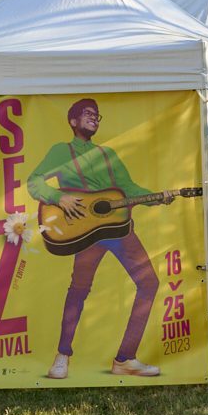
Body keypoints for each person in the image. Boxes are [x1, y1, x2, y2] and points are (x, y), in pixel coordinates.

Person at [28, 98, 175, 380]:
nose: (94, 117)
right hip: (87, 231)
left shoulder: (108, 154)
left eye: (97, 115)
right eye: (87, 113)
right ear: (73, 121)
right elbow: (35, 182)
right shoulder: (62, 151)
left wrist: (157, 197)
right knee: (79, 290)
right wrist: (59, 197)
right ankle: (62, 356)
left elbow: (129, 188)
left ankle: (125, 358)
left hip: (119, 229)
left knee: (149, 283)